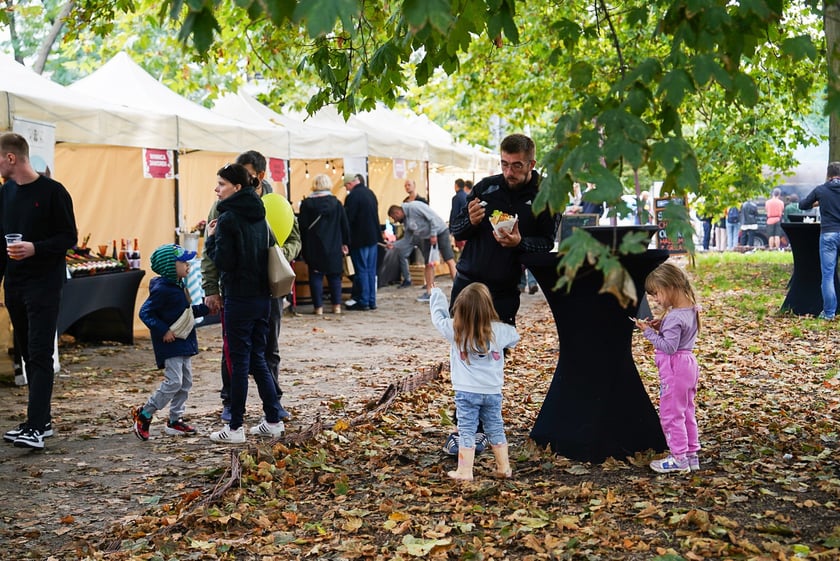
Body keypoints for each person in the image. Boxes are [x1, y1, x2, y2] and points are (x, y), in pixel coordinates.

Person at [445, 133, 555, 454]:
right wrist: (469, 220)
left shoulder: (546, 194)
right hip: (468, 281)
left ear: (531, 164)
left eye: (517, 165)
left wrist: (520, 243)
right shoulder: (486, 187)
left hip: (504, 287)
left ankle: (482, 424)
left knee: (492, 356)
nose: (510, 172)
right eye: (505, 164)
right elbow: (457, 229)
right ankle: (467, 427)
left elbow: (547, 242)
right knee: (462, 352)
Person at [202, 150, 299, 423]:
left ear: (255, 178)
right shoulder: (225, 208)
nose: (217, 189)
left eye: (222, 184)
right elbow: (214, 257)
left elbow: (292, 238)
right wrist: (211, 288)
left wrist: (277, 255)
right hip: (249, 290)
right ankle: (242, 405)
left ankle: (253, 414)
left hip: (258, 289)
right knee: (242, 353)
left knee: (261, 350)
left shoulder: (272, 204)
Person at [0, 133, 77, 450]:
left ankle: (35, 426)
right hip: (15, 285)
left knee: (40, 351)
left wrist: (35, 248)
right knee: (27, 353)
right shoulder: (5, 193)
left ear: (11, 158)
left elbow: (68, 237)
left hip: (44, 285)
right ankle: (40, 422)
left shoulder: (53, 192)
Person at [429, 284, 519, 481]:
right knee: (495, 426)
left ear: (460, 310)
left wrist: (436, 294)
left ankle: (464, 471)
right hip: (493, 390)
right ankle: (504, 468)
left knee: (467, 429)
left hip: (466, 391)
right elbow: (515, 338)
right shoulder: (500, 331)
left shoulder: (455, 330)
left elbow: (438, 318)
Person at [133, 244, 210, 440]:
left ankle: (175, 420)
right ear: (169, 266)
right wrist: (163, 330)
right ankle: (145, 414)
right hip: (171, 343)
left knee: (185, 383)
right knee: (174, 381)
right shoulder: (162, 290)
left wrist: (208, 309)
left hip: (184, 341)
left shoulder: (179, 287)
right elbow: (145, 312)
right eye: (183, 262)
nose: (188, 265)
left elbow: (186, 312)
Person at [633, 262, 701, 474]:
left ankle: (678, 458)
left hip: (675, 369)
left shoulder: (673, 317)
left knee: (671, 414)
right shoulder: (690, 309)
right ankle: (691, 455)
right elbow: (680, 337)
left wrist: (648, 332)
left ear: (669, 286)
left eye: (656, 294)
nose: (656, 300)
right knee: (687, 411)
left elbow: (668, 347)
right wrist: (661, 326)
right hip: (688, 365)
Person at [299, 174, 350, 315]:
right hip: (334, 245)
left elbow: (302, 226)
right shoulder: (336, 203)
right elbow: (344, 225)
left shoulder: (307, 204)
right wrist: (345, 242)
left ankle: (318, 308)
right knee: (334, 277)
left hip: (313, 246)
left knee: (316, 276)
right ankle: (336, 306)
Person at [388, 201, 457, 301]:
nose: (396, 221)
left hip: (440, 231)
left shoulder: (414, 207)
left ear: (397, 213)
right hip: (427, 237)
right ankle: (430, 292)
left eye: (394, 218)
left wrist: (433, 234)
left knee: (449, 259)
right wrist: (393, 245)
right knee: (428, 264)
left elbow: (432, 218)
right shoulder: (406, 222)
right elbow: (407, 240)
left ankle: (459, 288)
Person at [799, 162, 840, 320]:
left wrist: (818, 202)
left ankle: (829, 313)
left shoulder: (821, 190)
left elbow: (802, 205)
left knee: (828, 275)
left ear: (828, 175)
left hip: (829, 234)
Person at [343, 172, 380, 311]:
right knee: (371, 270)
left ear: (350, 183)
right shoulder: (370, 193)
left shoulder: (352, 196)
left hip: (359, 239)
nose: (347, 189)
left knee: (362, 270)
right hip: (372, 239)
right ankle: (371, 300)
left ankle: (363, 301)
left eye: (346, 186)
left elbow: (349, 220)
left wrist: (346, 240)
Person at [450, 178, 468, 251]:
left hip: (459, 226)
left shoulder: (456, 198)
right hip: (467, 225)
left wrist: (451, 228)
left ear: (456, 185)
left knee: (460, 249)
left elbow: (454, 213)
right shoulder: (467, 196)